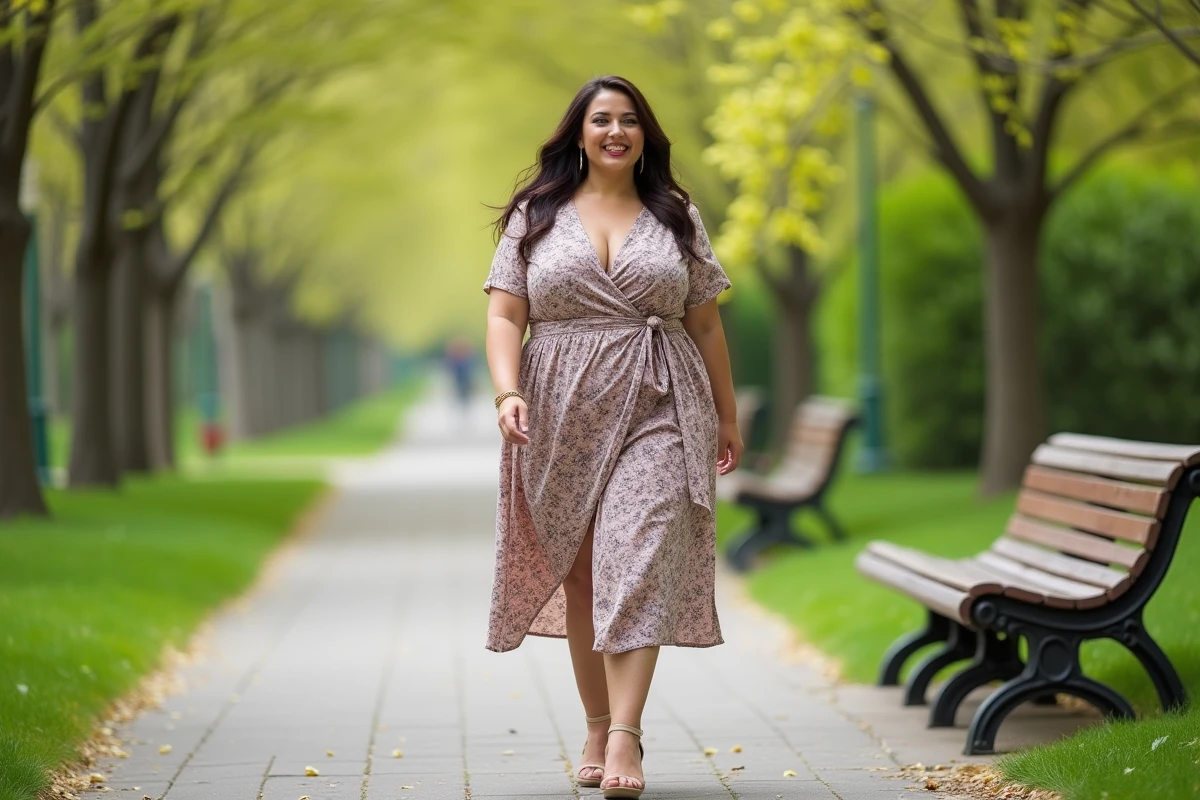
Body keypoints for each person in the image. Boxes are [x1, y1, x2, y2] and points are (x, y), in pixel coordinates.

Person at [482, 75, 742, 800]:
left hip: (659, 401)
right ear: (579, 133)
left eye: (629, 120)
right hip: (561, 410)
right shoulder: (536, 214)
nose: (616, 131)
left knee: (637, 554)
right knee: (584, 573)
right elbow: (506, 316)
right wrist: (508, 392)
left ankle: (626, 735)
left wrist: (725, 413)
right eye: (602, 120)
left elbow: (706, 321)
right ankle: (596, 725)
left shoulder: (676, 213)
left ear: (645, 135)